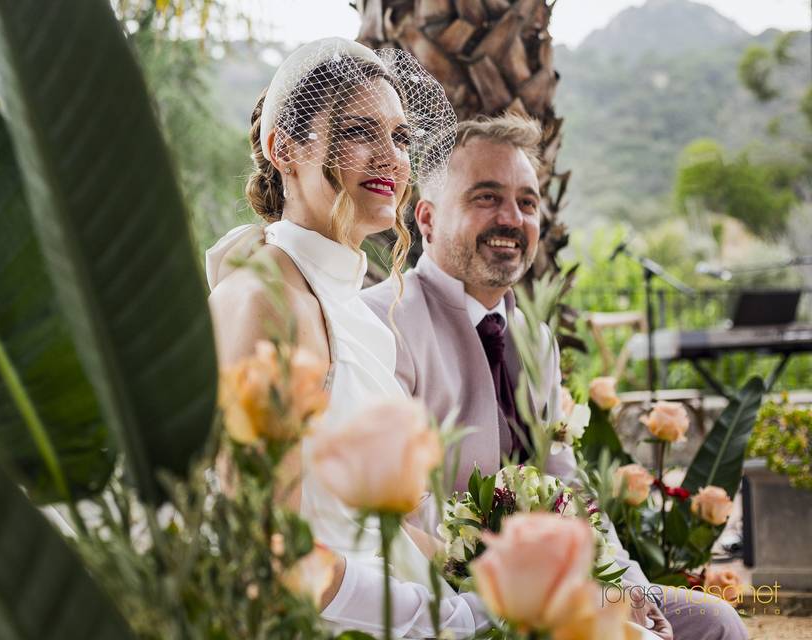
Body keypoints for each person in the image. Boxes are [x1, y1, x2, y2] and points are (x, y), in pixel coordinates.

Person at [361, 114, 748, 640]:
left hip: (565, 586)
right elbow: (396, 512)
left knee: (714, 622)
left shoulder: (532, 338)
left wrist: (624, 584)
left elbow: (567, 483)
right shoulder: (384, 323)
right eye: (486, 197)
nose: (512, 218)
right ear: (426, 220)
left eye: (527, 202)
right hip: (450, 600)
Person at [205, 37, 498, 638]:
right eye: (361, 132)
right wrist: (444, 617)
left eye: (400, 136)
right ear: (283, 148)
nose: (391, 157)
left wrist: (499, 579)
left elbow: (367, 523)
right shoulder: (267, 301)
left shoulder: (358, 309)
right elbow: (266, 551)